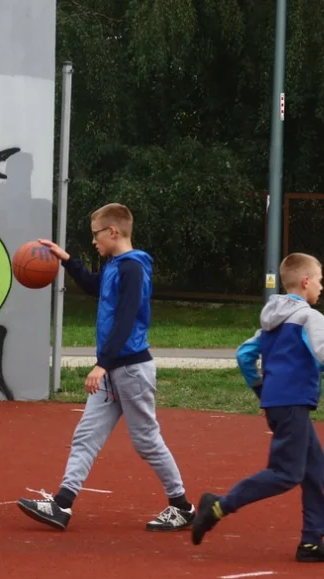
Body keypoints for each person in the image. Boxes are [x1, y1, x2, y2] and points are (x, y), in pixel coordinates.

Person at [190, 253, 324, 561]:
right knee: (286, 473)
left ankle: (311, 542)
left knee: (316, 472)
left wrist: (261, 389)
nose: (321, 286)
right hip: (292, 403)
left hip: (281, 403)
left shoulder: (270, 319)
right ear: (306, 281)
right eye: (319, 279)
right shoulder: (310, 317)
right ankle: (217, 506)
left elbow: (245, 356)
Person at [16, 203, 194, 531]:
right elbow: (94, 286)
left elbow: (126, 318)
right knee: (86, 435)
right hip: (113, 371)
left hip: (131, 370)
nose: (94, 241)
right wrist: (67, 259)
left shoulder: (133, 268)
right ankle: (62, 505)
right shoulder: (115, 265)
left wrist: (103, 364)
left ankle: (182, 506)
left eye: (96, 234)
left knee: (146, 441)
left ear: (113, 231)